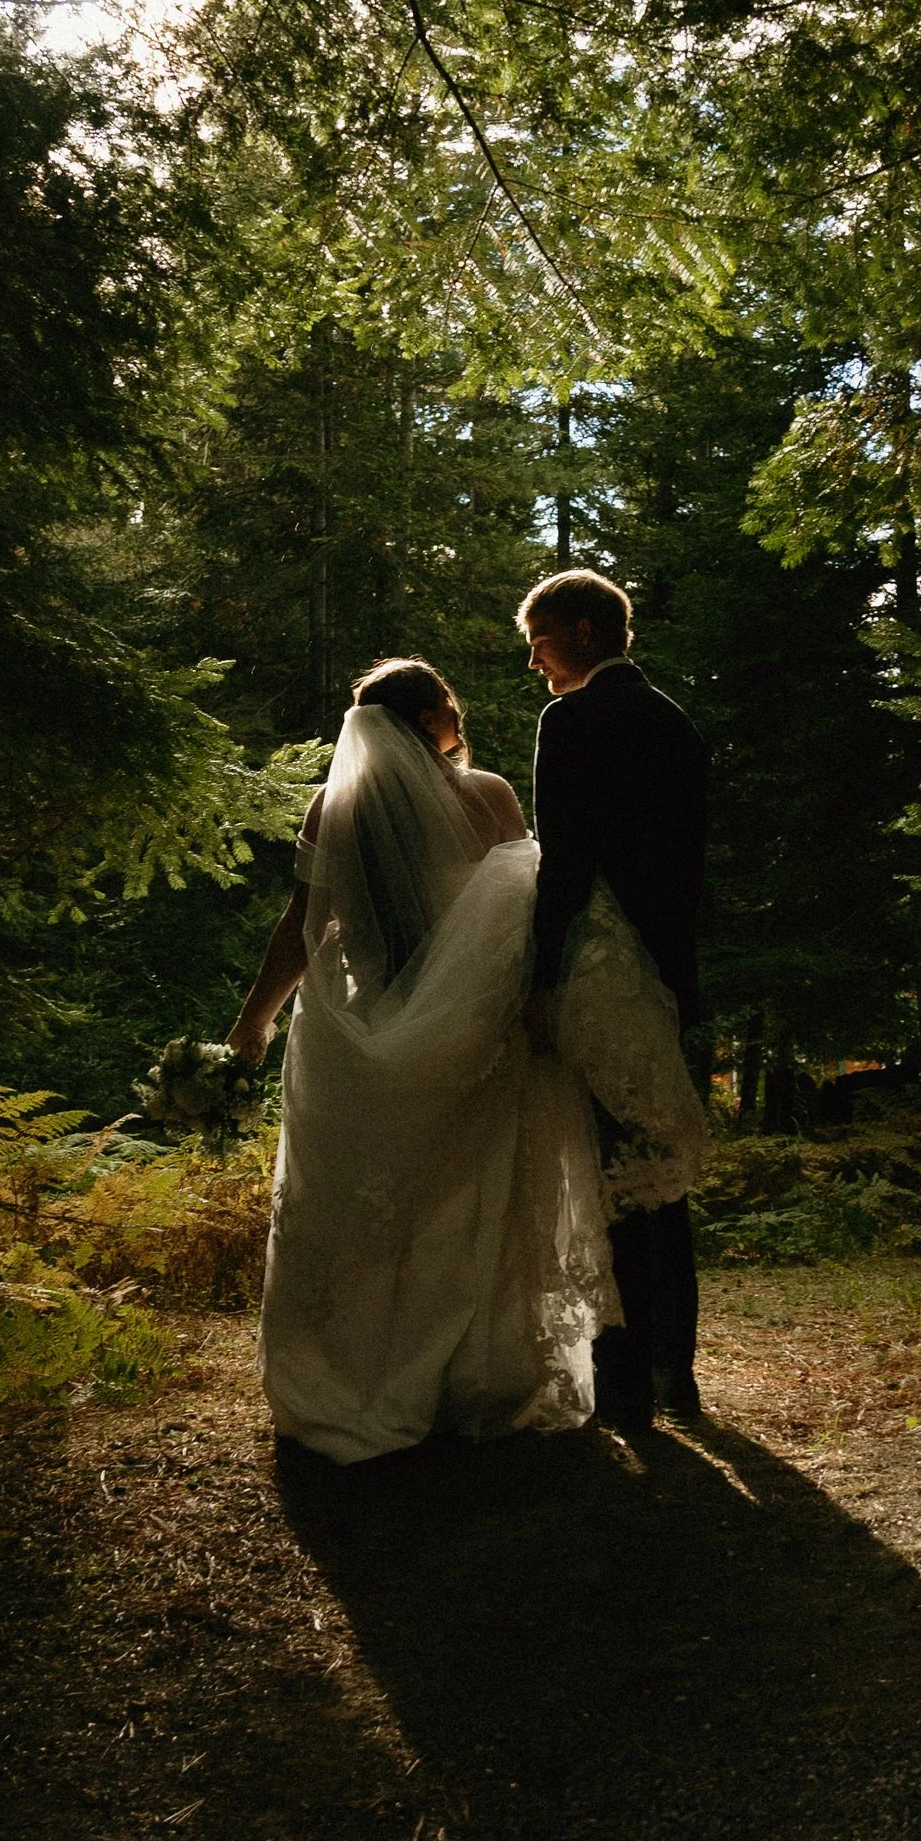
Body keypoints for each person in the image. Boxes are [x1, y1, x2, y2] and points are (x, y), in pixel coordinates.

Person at [227, 656, 694, 1463]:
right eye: (450, 705)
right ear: (434, 716)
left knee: (382, 1201)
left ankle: (365, 1372)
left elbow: (301, 927)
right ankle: (480, 1374)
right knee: (479, 1195)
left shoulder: (331, 808)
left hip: (375, 1022)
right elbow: (530, 907)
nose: (459, 716)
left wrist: (252, 1025)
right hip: (482, 1026)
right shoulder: (489, 796)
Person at [519, 570, 712, 1433]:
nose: (535, 663)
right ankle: (681, 1373)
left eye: (543, 640)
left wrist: (540, 978)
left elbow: (563, 861)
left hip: (599, 968)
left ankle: (625, 1385)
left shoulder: (573, 719)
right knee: (662, 1175)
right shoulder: (675, 722)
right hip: (665, 971)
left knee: (606, 1174)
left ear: (587, 633)